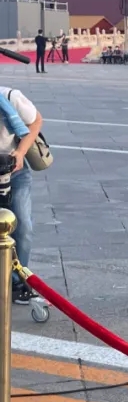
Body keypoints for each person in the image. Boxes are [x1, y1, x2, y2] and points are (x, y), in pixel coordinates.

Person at [0, 86, 43, 305]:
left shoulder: (11, 97)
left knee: (23, 226)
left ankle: (18, 282)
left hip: (15, 171)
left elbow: (36, 121)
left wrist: (21, 152)